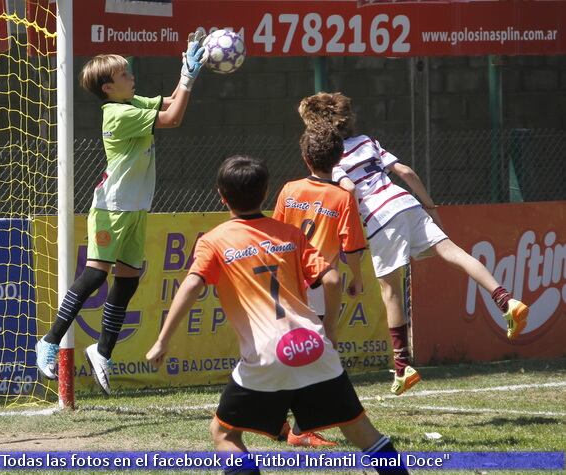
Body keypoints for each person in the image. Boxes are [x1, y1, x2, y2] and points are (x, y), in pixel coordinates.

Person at [147, 155, 408, 475]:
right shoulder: (290, 235)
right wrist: (329, 330)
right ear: (266, 192)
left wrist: (162, 340)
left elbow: (191, 286)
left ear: (221, 195)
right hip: (313, 346)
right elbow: (332, 279)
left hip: (267, 354)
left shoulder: (215, 240)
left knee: (225, 434)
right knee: (362, 433)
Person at [298, 92, 529, 395]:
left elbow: (351, 188)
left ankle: (402, 368)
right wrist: (430, 207)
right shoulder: (367, 141)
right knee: (454, 252)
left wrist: (350, 226)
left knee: (391, 290)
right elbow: (405, 172)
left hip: (380, 218)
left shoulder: (333, 160)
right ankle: (507, 301)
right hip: (405, 202)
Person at [35, 33, 206, 395]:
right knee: (96, 276)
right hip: (111, 210)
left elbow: (173, 101)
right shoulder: (118, 113)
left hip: (136, 209)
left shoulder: (131, 101)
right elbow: (173, 118)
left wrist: (185, 69)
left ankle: (102, 350)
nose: (132, 77)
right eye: (125, 74)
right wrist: (189, 77)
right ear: (109, 87)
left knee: (127, 280)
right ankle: (49, 341)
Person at [270, 124, 367, 446]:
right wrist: (357, 278)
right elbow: (352, 245)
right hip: (317, 282)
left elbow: (276, 235)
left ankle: (282, 422)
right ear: (340, 158)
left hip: (285, 281)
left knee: (287, 352)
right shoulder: (342, 197)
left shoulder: (289, 190)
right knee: (318, 356)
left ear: (304, 157)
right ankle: (300, 430)